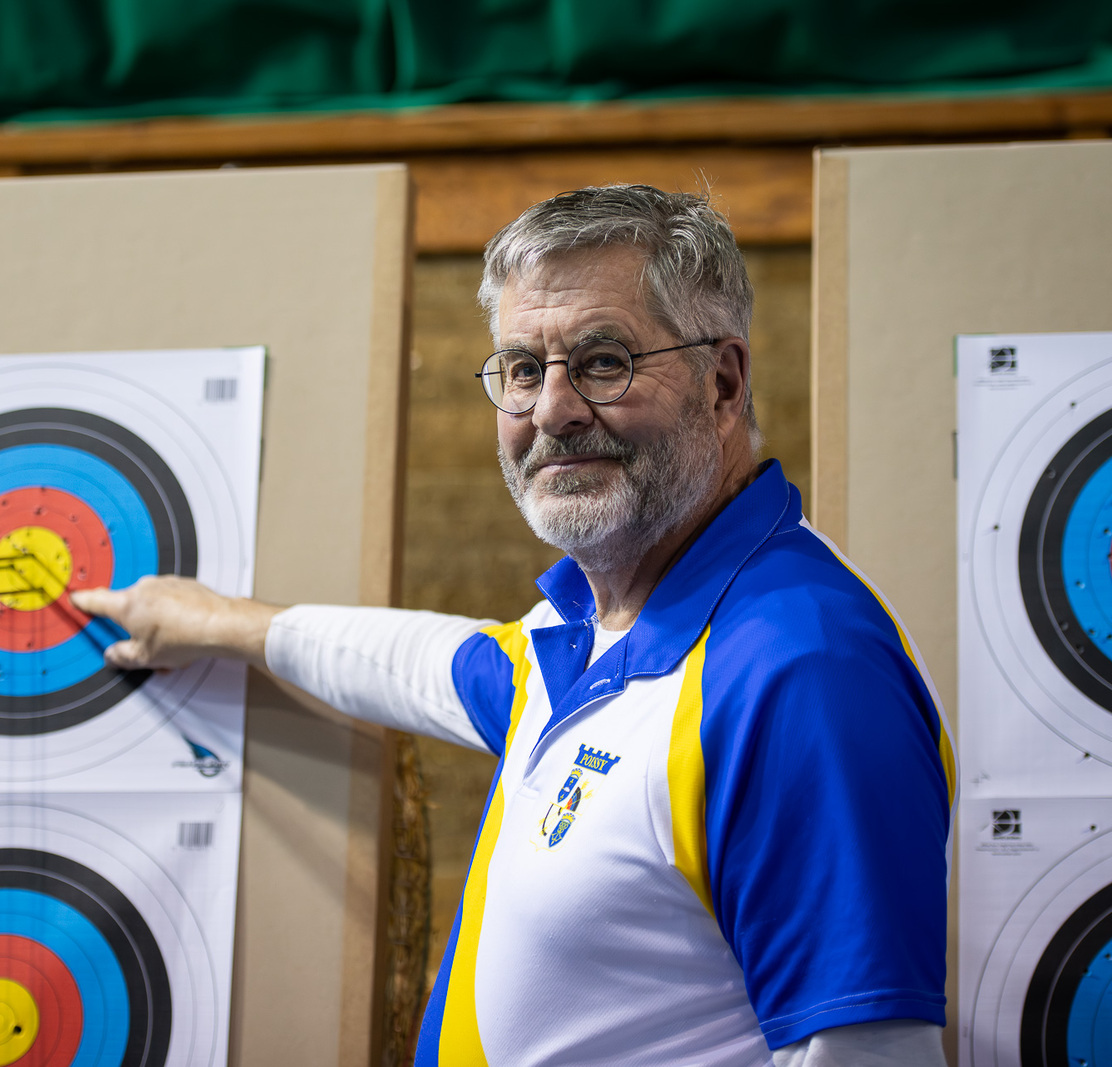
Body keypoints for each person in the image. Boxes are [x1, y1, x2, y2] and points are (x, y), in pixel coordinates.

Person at [72, 186, 954, 1067]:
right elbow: (425, 664)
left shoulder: (801, 674)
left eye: (603, 362)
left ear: (722, 383)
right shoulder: (587, 632)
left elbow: (871, 1055)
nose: (553, 409)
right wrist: (217, 622)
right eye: (524, 369)